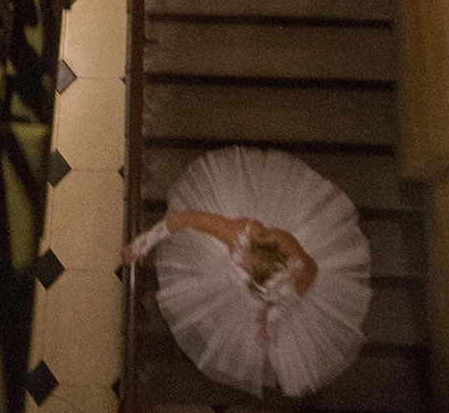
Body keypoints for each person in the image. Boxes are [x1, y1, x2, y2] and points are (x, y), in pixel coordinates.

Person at [121, 146, 371, 399]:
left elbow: (303, 285)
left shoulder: (302, 268)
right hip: (250, 265)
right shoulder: (239, 233)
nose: (247, 267)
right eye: (249, 265)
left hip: (277, 290)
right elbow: (186, 219)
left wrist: (274, 312)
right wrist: (143, 243)